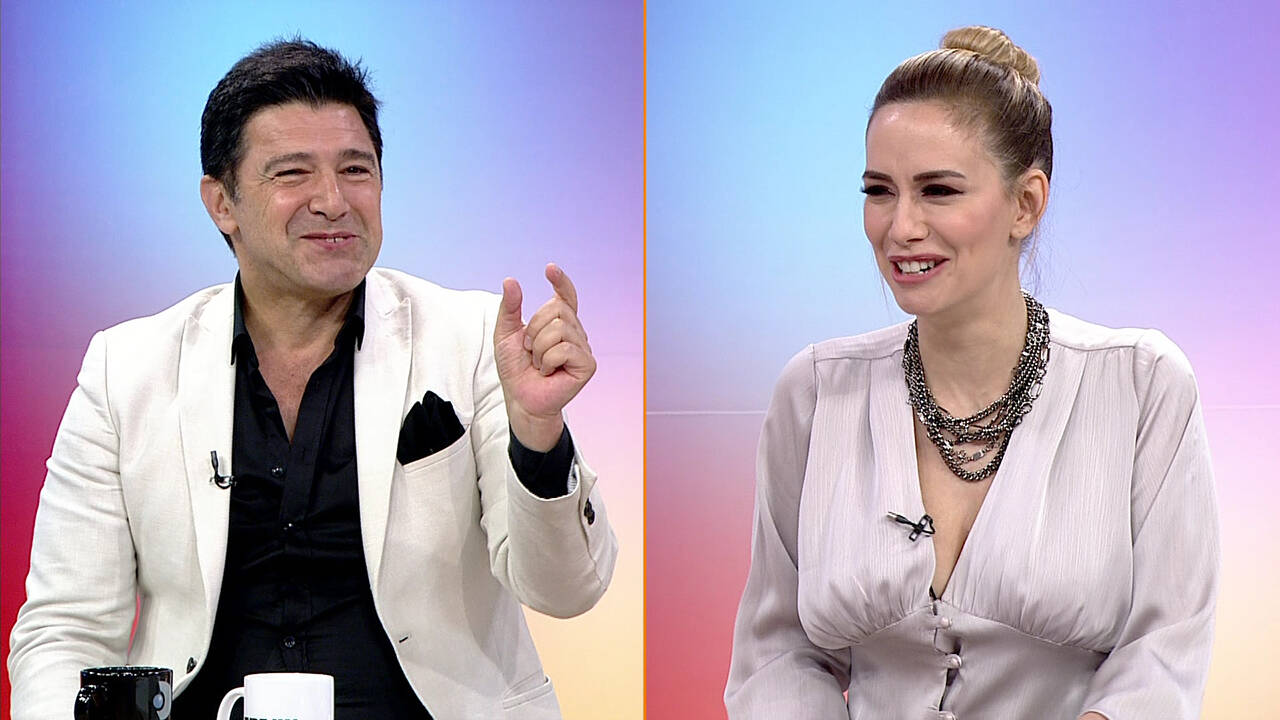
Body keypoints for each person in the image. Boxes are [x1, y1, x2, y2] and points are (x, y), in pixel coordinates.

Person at [8, 39, 617, 719]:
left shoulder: (476, 340)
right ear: (222, 203)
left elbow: (567, 589)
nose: (333, 201)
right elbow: (63, 632)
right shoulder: (126, 370)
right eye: (293, 173)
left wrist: (538, 433)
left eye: (356, 170)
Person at [724, 26, 1217, 720]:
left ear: (1026, 203)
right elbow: (776, 652)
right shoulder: (815, 392)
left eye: (938, 191)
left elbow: (1163, 657)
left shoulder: (1141, 386)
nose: (901, 227)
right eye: (879, 191)